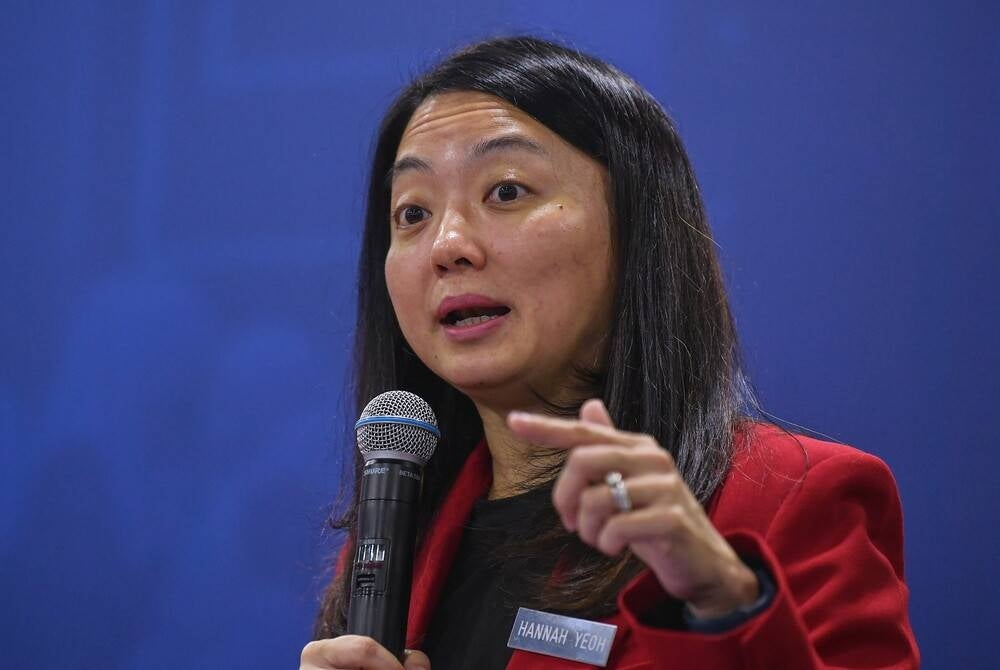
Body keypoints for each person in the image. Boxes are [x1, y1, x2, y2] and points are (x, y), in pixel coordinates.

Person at [301, 36, 919, 670]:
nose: (447, 244)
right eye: (412, 212)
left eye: (507, 191)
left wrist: (721, 600)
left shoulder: (794, 500)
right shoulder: (394, 540)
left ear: (637, 228)